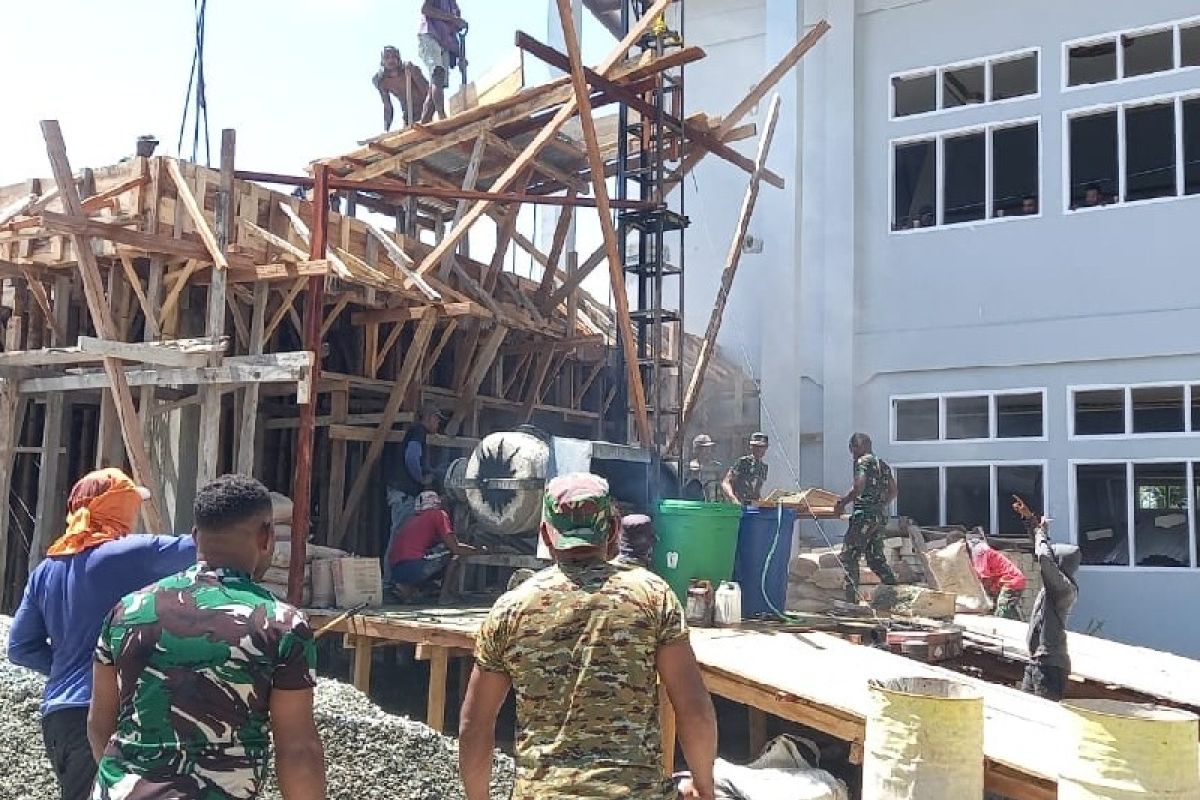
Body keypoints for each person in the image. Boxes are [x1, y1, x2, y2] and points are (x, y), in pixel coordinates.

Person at [459, 473, 717, 800]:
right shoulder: (653, 596)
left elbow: (475, 724)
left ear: (546, 535)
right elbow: (693, 707)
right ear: (612, 531)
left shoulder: (511, 609)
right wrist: (704, 787)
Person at [87, 474, 326, 799]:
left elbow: (100, 722)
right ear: (267, 536)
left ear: (196, 536)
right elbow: (298, 750)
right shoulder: (280, 624)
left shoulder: (127, 611)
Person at [6, 468, 195, 800]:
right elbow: (205, 545)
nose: (135, 514)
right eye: (131, 504)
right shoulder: (129, 553)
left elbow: (20, 647)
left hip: (59, 719)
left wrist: (71, 667)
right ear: (117, 507)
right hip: (105, 714)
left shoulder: (47, 570)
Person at [834, 433, 898, 603]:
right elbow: (893, 491)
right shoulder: (882, 465)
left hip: (864, 516)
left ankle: (850, 602)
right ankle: (894, 595)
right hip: (879, 518)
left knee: (849, 556)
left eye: (852, 449)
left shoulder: (863, 461)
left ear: (858, 446)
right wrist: (880, 505)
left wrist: (842, 502)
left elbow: (859, 486)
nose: (852, 454)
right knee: (876, 559)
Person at [1022, 516, 1080, 702]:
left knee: (1044, 715)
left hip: (1050, 667)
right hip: (1037, 661)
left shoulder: (1063, 588)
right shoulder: (1055, 585)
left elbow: (1045, 559)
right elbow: (1043, 556)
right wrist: (1032, 524)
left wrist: (1042, 534)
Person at [387, 490, 482, 601]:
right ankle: (445, 597)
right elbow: (456, 548)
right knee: (455, 556)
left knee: (437, 553)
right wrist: (481, 551)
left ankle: (407, 589)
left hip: (396, 572)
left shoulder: (412, 520)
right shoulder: (438, 514)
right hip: (415, 568)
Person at [386, 402, 446, 548]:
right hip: (404, 494)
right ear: (429, 417)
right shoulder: (419, 432)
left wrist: (431, 472)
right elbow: (411, 457)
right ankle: (391, 571)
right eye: (437, 420)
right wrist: (421, 479)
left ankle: (393, 570)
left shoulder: (416, 432)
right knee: (399, 536)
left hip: (401, 492)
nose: (438, 423)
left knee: (400, 535)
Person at [419, 0, 467, 123]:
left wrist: (460, 57)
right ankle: (442, 116)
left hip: (444, 44)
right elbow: (425, 9)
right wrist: (453, 18)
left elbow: (454, 35)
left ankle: (424, 122)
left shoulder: (454, 7)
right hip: (430, 36)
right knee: (438, 74)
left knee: (437, 86)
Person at [966, 529, 1028, 620]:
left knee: (1003, 608)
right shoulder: (979, 550)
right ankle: (1020, 626)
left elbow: (984, 577)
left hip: (1010, 580)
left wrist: (982, 597)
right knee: (1000, 608)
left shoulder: (979, 552)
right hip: (1004, 582)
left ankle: (1014, 630)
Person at [372, 45, 429, 130]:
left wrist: (428, 113)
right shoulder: (382, 81)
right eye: (387, 57)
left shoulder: (409, 69)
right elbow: (388, 107)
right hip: (407, 114)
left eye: (393, 57)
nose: (390, 60)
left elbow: (427, 92)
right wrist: (386, 129)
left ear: (398, 58)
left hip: (424, 110)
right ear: (383, 61)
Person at [722, 432, 769, 505]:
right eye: (755, 446)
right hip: (739, 505)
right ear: (751, 447)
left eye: (762, 446)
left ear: (766, 448)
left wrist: (763, 503)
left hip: (752, 506)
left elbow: (756, 491)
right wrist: (733, 499)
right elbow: (726, 482)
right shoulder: (743, 462)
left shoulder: (763, 467)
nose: (759, 449)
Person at [683, 433, 725, 502]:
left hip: (712, 505)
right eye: (704, 449)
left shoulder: (716, 467)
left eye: (709, 448)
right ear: (697, 450)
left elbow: (721, 488)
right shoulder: (688, 467)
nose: (708, 451)